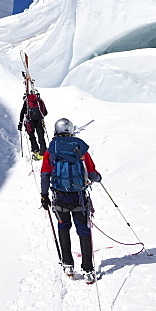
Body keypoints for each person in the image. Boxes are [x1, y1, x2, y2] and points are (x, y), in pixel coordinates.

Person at [39, 117, 102, 283]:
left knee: (63, 227)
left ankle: (68, 264)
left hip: (59, 197)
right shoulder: (80, 148)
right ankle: (88, 269)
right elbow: (92, 174)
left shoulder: (51, 150)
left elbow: (45, 174)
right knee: (83, 230)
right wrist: (98, 177)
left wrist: (44, 195)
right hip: (79, 198)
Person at [17, 87, 48, 160]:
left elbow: (22, 113)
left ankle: (36, 151)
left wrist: (20, 123)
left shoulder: (27, 102)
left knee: (32, 137)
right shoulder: (39, 101)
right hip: (39, 121)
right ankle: (43, 153)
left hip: (30, 122)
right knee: (41, 137)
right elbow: (45, 112)